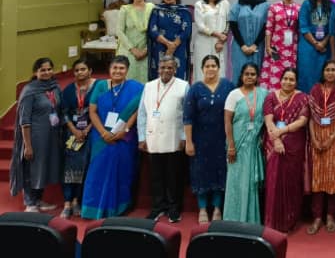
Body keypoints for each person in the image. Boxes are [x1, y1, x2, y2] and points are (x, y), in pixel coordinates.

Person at [80, 55, 144, 219]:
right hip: (100, 138)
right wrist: (103, 132)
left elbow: (136, 111)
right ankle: (93, 209)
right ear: (109, 69)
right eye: (115, 68)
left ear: (127, 70)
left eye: (122, 68)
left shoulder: (136, 88)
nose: (118, 71)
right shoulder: (100, 86)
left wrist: (125, 130)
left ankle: (118, 208)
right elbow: (92, 111)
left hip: (124, 137)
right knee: (97, 172)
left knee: (122, 171)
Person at [183, 54, 235, 224]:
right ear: (202, 69)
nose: (211, 69)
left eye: (214, 66)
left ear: (219, 68)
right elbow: (188, 117)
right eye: (207, 66)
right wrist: (189, 142)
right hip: (200, 140)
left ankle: (218, 208)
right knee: (200, 173)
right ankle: (203, 209)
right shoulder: (195, 89)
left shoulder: (228, 86)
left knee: (221, 172)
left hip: (222, 138)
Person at [137, 55, 189, 223]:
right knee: (156, 176)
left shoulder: (183, 86)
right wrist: (141, 137)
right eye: (163, 67)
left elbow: (187, 114)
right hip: (153, 137)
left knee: (174, 176)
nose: (166, 70)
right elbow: (142, 113)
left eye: (170, 68)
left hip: (174, 137)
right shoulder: (149, 86)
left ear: (175, 69)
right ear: (158, 69)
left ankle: (174, 208)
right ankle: (158, 207)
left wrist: (184, 137)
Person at [9, 58, 63, 213]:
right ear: (35, 72)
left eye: (49, 69)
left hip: (51, 137)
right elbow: (24, 120)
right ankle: (30, 202)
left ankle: (38, 200)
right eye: (42, 70)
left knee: (43, 168)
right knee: (31, 169)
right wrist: (27, 145)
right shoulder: (29, 90)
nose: (47, 72)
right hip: (34, 137)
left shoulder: (54, 87)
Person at [307, 60, 335, 235]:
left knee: (334, 178)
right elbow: (311, 116)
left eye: (333, 70)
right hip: (317, 136)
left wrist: (331, 138)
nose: (330, 72)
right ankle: (317, 217)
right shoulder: (315, 89)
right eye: (327, 69)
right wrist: (314, 138)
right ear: (323, 72)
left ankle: (330, 216)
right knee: (317, 179)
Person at [263, 68, 310, 232]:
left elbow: (302, 121)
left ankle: (289, 221)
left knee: (292, 182)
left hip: (294, 145)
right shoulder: (270, 97)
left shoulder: (302, 98)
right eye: (285, 79)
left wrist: (282, 131)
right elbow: (268, 121)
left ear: (296, 82)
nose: (288, 82)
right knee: (273, 182)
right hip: (273, 144)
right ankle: (272, 222)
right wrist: (276, 140)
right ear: (280, 79)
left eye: (292, 80)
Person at [223, 63, 268, 224]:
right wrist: (231, 146)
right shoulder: (234, 95)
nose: (250, 77)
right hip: (237, 145)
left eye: (253, 74)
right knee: (236, 180)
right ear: (241, 76)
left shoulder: (263, 94)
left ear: (257, 77)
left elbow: (267, 118)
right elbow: (227, 122)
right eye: (247, 74)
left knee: (251, 183)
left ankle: (250, 219)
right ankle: (233, 219)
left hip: (254, 145)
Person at [59, 58, 97, 218]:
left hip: (91, 131)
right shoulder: (68, 90)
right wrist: (74, 130)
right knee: (69, 167)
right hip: (71, 133)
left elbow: (100, 111)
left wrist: (87, 129)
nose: (79, 72)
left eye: (83, 69)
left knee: (84, 166)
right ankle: (67, 202)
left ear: (90, 71)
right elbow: (64, 112)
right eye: (76, 70)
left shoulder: (98, 87)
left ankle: (76, 201)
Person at [298, 0, 335, 93]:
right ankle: (306, 99)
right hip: (308, 44)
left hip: (326, 45)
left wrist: (323, 43)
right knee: (306, 72)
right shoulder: (306, 4)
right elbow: (303, 27)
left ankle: (323, 98)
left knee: (323, 72)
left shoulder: (332, 5)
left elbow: (332, 27)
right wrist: (315, 44)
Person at [229, 0, 269, 82]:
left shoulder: (265, 5)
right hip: (239, 46)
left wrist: (254, 45)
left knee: (255, 73)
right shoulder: (238, 3)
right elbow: (233, 24)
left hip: (257, 47)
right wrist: (243, 46)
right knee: (239, 73)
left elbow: (266, 27)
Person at [148, 0, 193, 81]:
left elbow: (186, 31)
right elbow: (152, 30)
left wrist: (173, 46)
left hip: (179, 48)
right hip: (160, 48)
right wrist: (168, 44)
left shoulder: (184, 11)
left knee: (178, 75)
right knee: (160, 75)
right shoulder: (156, 10)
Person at [261, 0, 300, 91]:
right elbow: (269, 28)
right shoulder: (274, 7)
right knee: (275, 72)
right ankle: (273, 97)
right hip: (276, 47)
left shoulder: (298, 8)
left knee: (289, 73)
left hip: (292, 48)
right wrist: (268, 47)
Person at [116, 0, 154, 82]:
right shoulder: (125, 9)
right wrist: (133, 49)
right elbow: (119, 31)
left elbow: (155, 30)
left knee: (145, 81)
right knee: (127, 81)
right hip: (128, 50)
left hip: (146, 51)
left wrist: (145, 50)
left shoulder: (152, 8)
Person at [193, 0, 230, 81]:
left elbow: (228, 22)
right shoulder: (199, 4)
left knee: (219, 68)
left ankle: (218, 89)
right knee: (202, 67)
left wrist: (221, 40)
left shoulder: (224, 3)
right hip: (203, 41)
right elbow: (200, 25)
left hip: (219, 42)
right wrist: (217, 34)